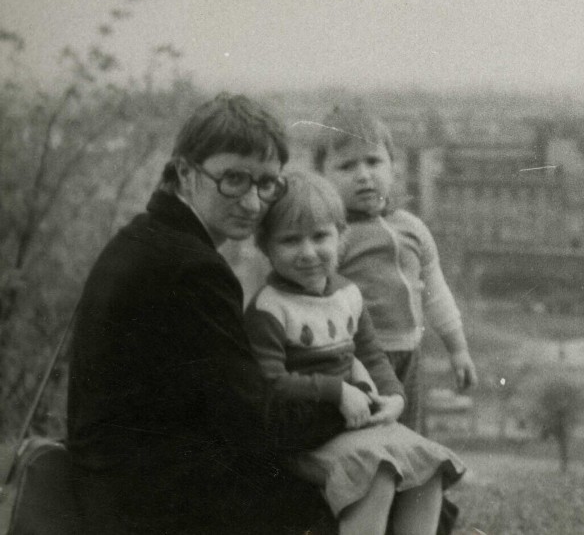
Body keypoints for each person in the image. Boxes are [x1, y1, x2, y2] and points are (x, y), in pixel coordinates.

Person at [67, 93, 378, 534]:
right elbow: (257, 424)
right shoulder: (194, 270)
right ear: (185, 173)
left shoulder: (143, 238)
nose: (252, 203)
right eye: (233, 179)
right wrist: (348, 403)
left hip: (111, 490)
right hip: (151, 510)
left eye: (266, 182)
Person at [244, 170, 465, 535]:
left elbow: (372, 354)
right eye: (290, 241)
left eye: (320, 237)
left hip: (348, 426)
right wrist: (336, 390)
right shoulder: (270, 308)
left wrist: (394, 396)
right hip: (301, 435)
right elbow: (269, 383)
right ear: (265, 246)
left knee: (428, 464)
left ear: (340, 235)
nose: (308, 252)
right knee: (374, 472)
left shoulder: (347, 294)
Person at [314, 105, 479, 431]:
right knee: (368, 437)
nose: (364, 175)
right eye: (347, 166)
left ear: (393, 168)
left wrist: (458, 350)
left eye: (374, 161)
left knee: (410, 434)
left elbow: (436, 293)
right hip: (358, 360)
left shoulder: (412, 228)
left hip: (410, 352)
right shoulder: (334, 236)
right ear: (322, 177)